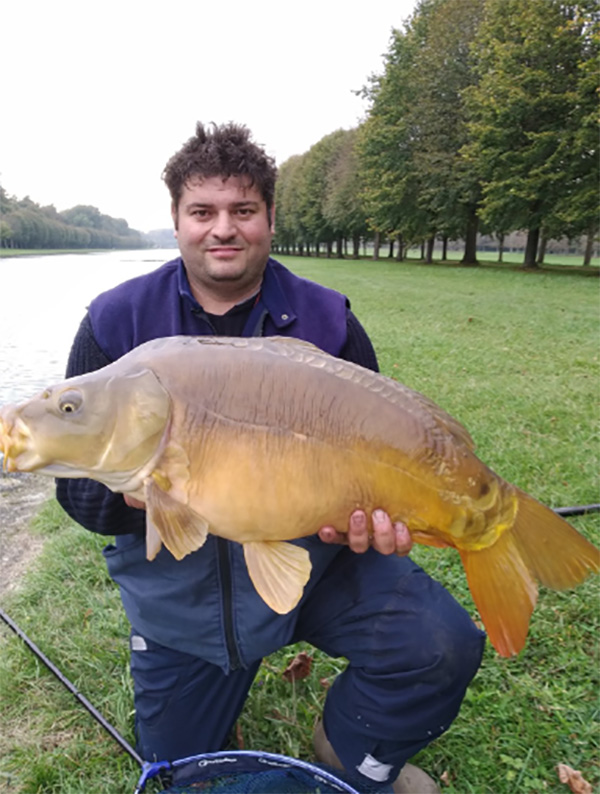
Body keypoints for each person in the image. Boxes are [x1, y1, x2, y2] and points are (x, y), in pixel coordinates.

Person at [56, 122, 484, 793]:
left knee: (440, 643)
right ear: (176, 222)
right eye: (203, 212)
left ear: (270, 219)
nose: (222, 229)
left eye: (242, 211)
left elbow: (377, 452)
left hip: (314, 568)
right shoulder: (114, 324)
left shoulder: (329, 321)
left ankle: (348, 748)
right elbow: (77, 498)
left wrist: (372, 520)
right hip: (183, 605)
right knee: (186, 780)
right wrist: (136, 492)